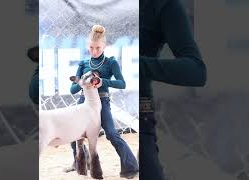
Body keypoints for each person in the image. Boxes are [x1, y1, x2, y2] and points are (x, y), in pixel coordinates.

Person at [140, 0, 207, 179]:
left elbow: (197, 71)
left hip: (140, 114)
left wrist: (138, 65)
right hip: (98, 102)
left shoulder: (163, 4)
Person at [64, 24, 139, 178]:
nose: (94, 51)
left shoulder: (111, 62)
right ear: (87, 46)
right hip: (83, 102)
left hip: (102, 102)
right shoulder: (83, 64)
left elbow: (122, 83)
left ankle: (131, 167)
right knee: (72, 132)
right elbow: (72, 90)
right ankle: (79, 160)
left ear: (104, 45)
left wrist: (102, 81)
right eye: (91, 47)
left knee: (112, 134)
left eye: (98, 47)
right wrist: (82, 82)